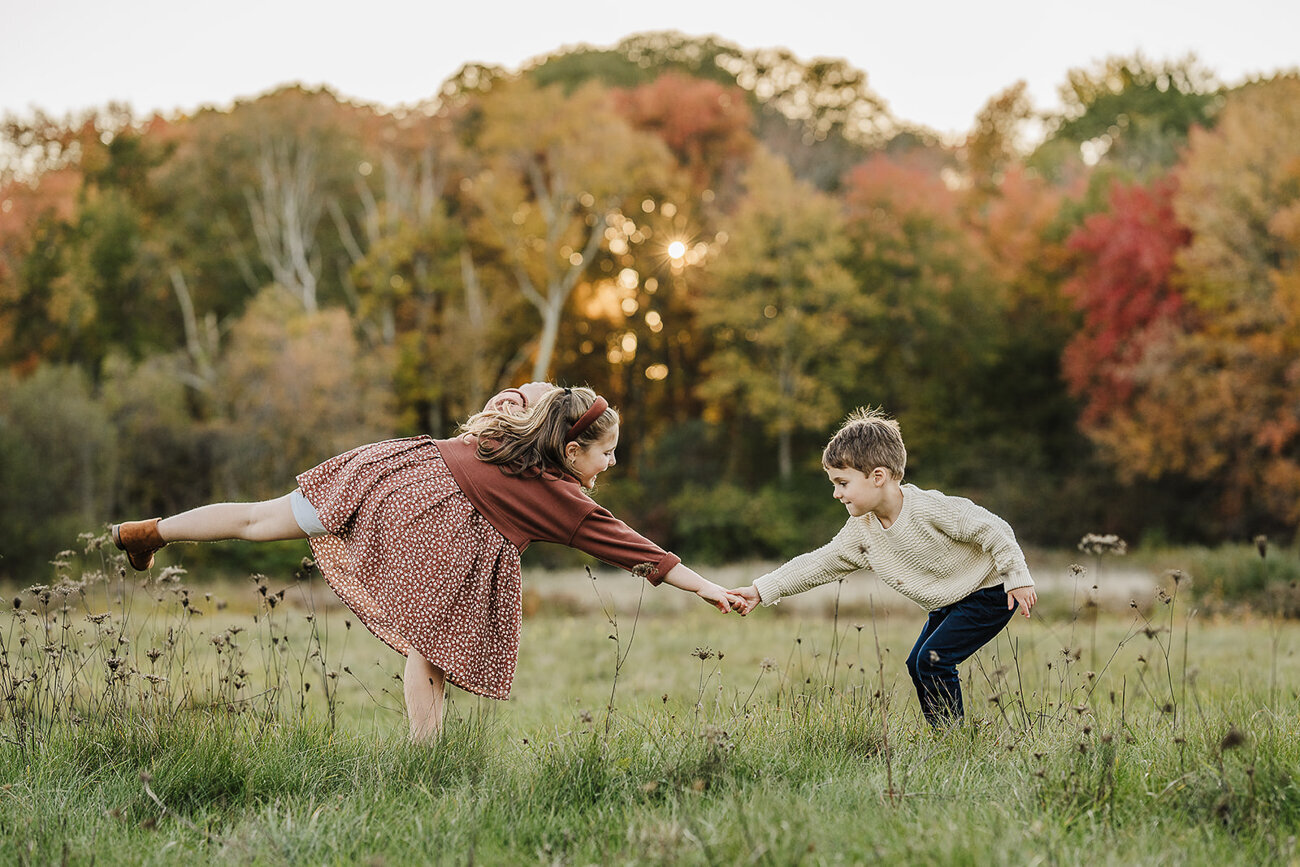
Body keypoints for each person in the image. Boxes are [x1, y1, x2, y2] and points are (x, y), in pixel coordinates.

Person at [111, 383, 741, 742]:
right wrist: (711, 588)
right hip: (422, 522)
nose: (610, 466)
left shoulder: (508, 428)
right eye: (607, 454)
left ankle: (152, 531)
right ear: (573, 449)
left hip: (389, 470)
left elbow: (520, 392)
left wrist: (539, 394)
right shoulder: (560, 498)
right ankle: (422, 754)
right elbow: (642, 553)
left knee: (258, 519)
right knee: (430, 643)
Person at [730, 407, 1036, 728]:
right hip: (948, 604)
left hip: (989, 592)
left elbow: (993, 528)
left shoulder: (929, 508)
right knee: (917, 664)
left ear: (878, 477)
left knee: (934, 661)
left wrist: (1016, 577)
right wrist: (760, 590)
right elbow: (819, 563)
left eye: (842, 483)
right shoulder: (863, 531)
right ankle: (947, 736)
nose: (836, 493)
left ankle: (953, 739)